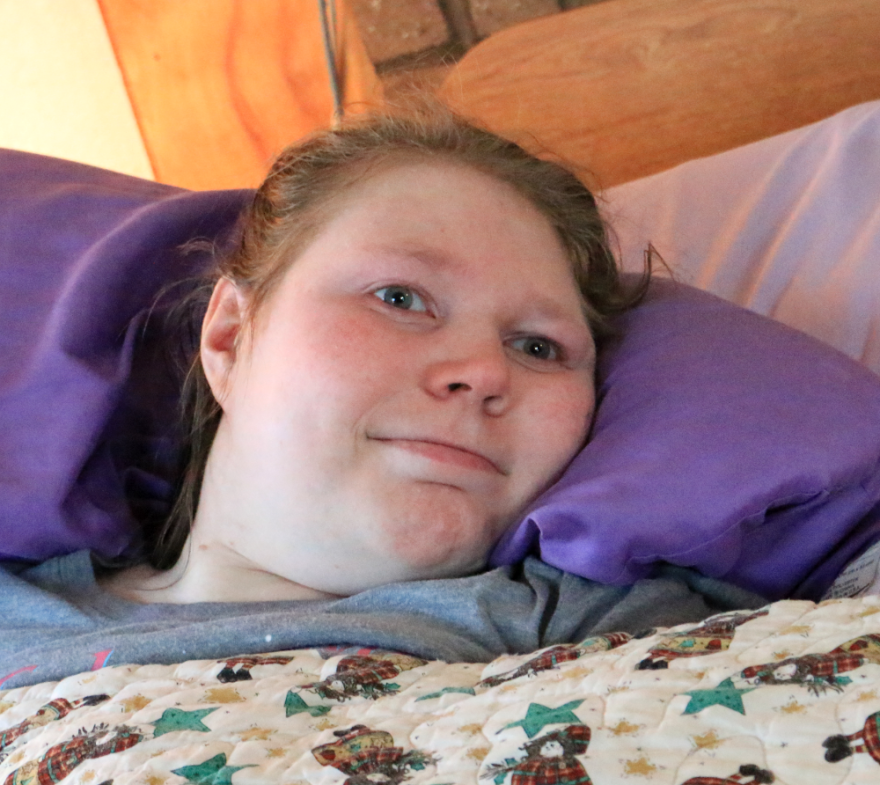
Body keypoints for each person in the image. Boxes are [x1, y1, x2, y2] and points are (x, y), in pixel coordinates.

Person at [0, 108, 764, 690]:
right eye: (399, 297)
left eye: (538, 347)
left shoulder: (597, 627)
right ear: (233, 335)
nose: (483, 372)